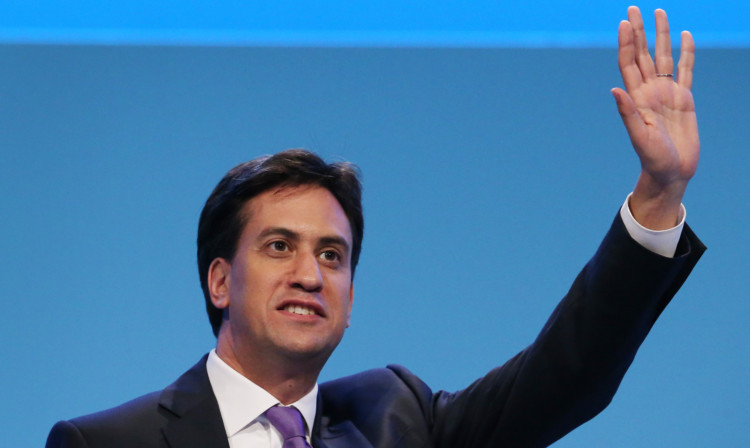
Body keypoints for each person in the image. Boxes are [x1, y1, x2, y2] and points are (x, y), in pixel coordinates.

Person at [46, 6, 705, 448]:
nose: (311, 274)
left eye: (333, 256)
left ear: (352, 298)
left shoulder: (394, 419)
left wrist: (658, 192)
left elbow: (567, 377)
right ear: (220, 280)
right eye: (280, 246)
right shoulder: (105, 442)